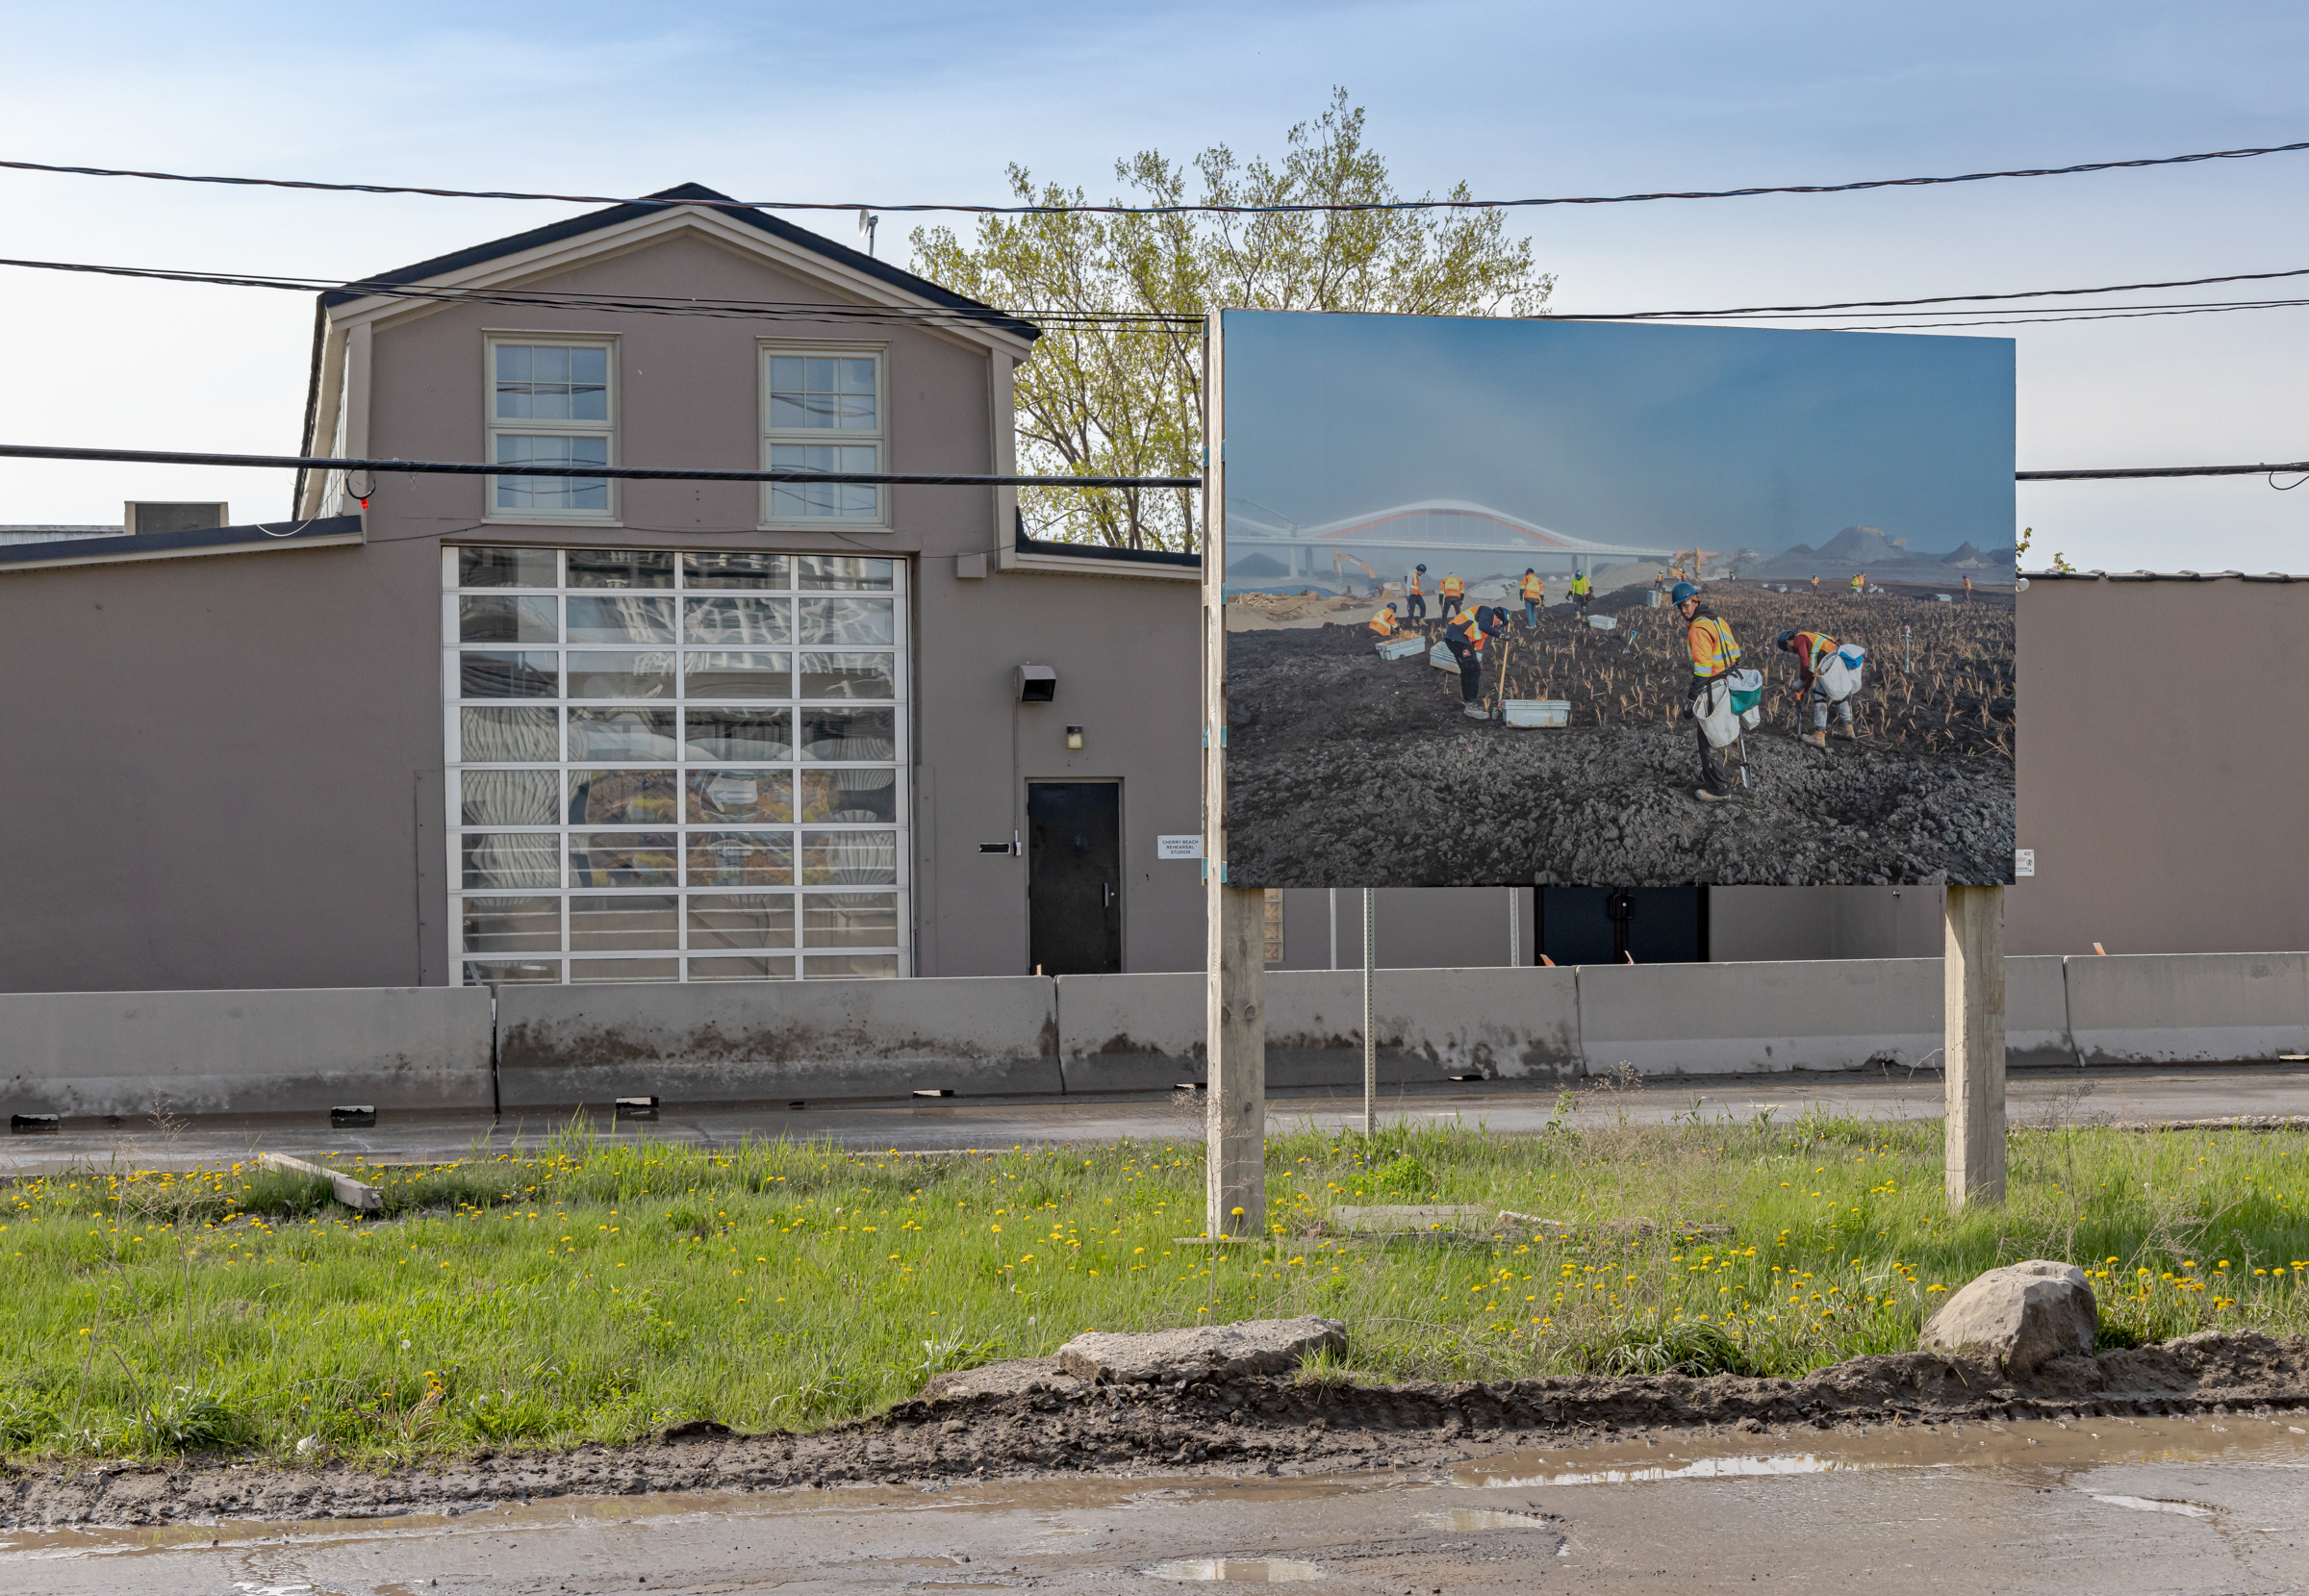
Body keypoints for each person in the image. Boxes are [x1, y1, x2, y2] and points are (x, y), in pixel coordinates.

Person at [1676, 582, 1739, 802]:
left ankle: (1718, 789)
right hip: (1728, 682)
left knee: (1707, 737)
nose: (1684, 610)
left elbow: (1702, 669)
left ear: (1696, 601)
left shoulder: (1698, 629)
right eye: (1680, 607)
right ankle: (1714, 779)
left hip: (1713, 686)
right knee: (1717, 734)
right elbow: (1736, 652)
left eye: (1686, 605)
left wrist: (1691, 700)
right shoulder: (1717, 621)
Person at [1776, 627, 1854, 748]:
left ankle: (1819, 736)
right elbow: (1813, 670)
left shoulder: (1799, 640)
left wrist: (1801, 681)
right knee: (1839, 694)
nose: (1791, 652)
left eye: (1788, 650)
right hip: (1836, 660)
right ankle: (1848, 730)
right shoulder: (1809, 640)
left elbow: (1806, 665)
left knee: (1819, 694)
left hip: (1829, 661)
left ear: (1787, 642)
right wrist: (1804, 690)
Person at [1442, 603, 1505, 719]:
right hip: (1457, 638)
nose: (1497, 627)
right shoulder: (1487, 611)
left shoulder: (1484, 616)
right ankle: (1471, 706)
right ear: (1498, 617)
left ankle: (1470, 704)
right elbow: (1484, 626)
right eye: (1500, 624)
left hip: (1457, 639)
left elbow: (1475, 642)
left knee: (1469, 669)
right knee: (1472, 669)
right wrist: (1500, 636)